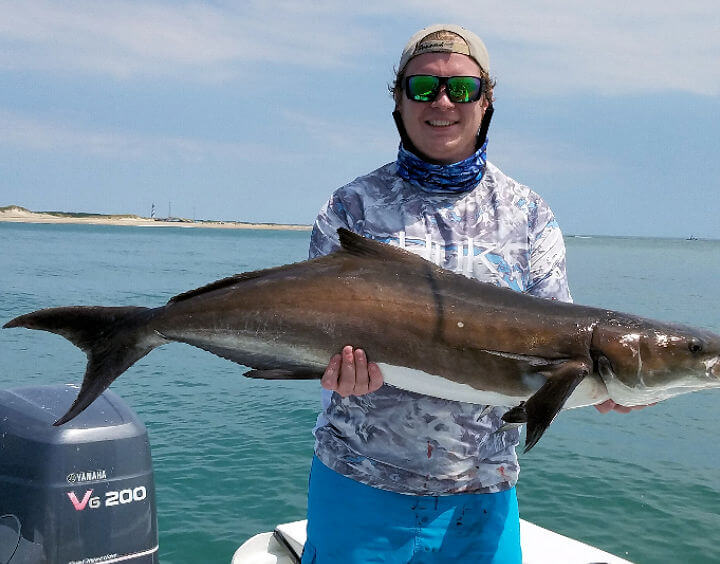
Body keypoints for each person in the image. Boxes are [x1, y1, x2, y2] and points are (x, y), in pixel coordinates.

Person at [302, 24, 641, 563]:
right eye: (423, 88)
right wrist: (330, 368)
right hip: (358, 487)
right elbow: (311, 326)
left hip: (483, 497)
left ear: (486, 102)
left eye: (462, 89)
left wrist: (610, 388)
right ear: (398, 98)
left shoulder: (529, 216)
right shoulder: (352, 208)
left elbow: (560, 346)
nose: (442, 102)